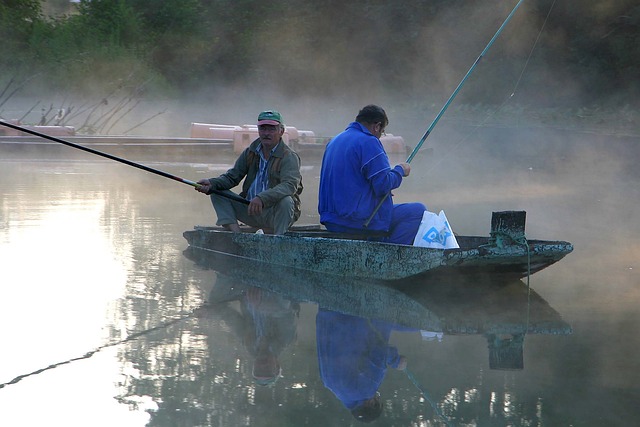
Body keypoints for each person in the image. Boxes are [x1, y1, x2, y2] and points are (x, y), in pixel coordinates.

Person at [318, 105, 426, 245]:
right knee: (418, 211)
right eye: (382, 131)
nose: (381, 136)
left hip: (331, 220)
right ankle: (390, 256)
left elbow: (352, 180)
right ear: (376, 126)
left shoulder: (334, 141)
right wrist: (400, 170)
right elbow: (383, 184)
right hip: (356, 221)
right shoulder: (369, 142)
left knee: (385, 213)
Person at [196, 110, 303, 234]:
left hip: (274, 213)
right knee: (216, 191)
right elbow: (232, 178)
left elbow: (289, 186)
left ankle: (278, 240)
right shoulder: (250, 152)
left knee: (286, 201)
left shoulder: (288, 156)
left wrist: (262, 198)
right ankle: (236, 234)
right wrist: (211, 183)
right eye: (263, 129)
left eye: (272, 129)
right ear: (258, 130)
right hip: (251, 210)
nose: (266, 133)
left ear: (281, 131)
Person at [316, 309, 411, 423]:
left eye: (377, 397)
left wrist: (397, 361)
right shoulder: (329, 383)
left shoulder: (366, 391)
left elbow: (380, 351)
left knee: (412, 327)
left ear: (371, 403)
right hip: (326, 312)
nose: (376, 394)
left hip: (352, 313)